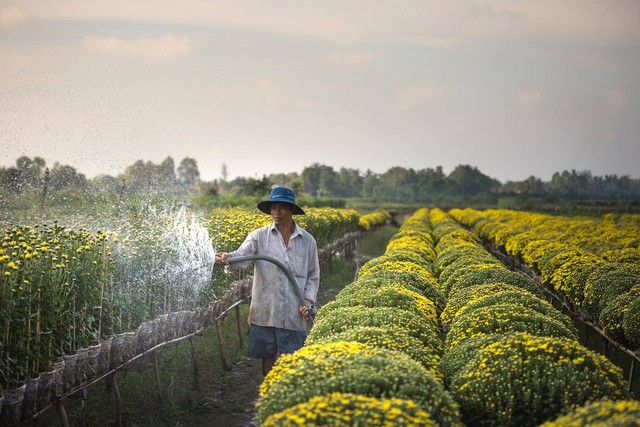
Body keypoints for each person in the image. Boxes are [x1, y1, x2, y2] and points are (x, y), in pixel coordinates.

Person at [214, 186, 319, 377]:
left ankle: (289, 398)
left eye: (282, 207)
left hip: (295, 309)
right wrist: (226, 257)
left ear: (292, 210)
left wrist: (308, 302)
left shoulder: (308, 241)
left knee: (293, 360)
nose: (277, 212)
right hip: (265, 307)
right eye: (273, 208)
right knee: (268, 357)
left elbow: (312, 276)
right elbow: (241, 256)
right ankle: (268, 394)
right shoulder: (259, 236)